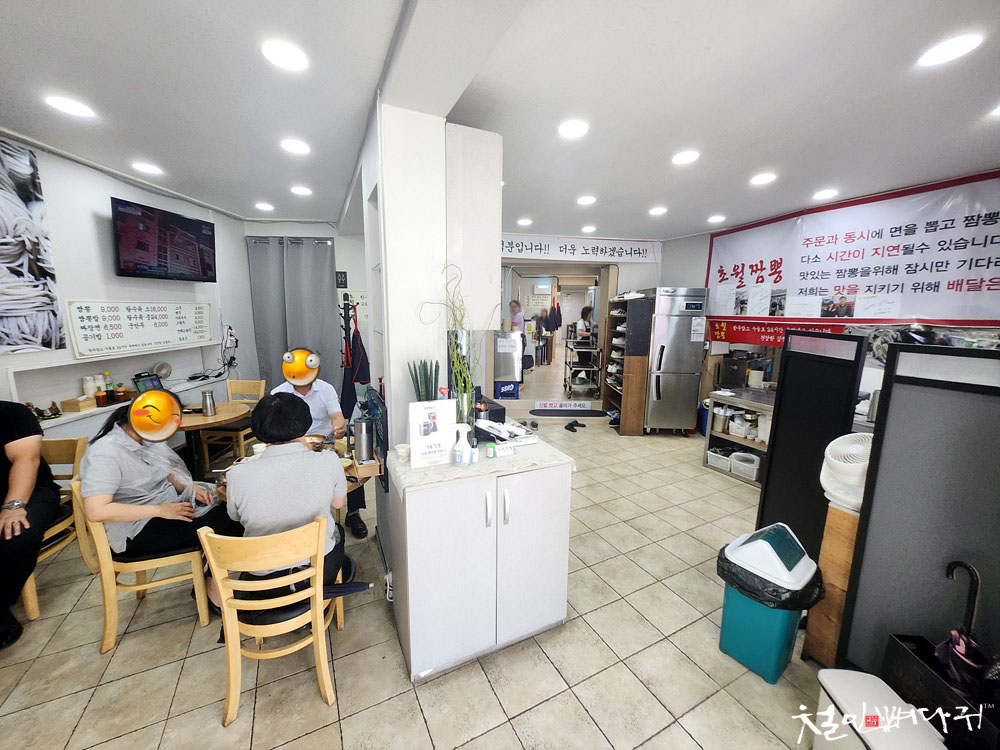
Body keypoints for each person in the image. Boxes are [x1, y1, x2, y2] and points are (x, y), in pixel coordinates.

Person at [81, 396, 243, 611]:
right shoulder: (106, 452)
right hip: (136, 531)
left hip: (165, 510)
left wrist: (191, 489)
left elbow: (165, 472)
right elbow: (96, 510)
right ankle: (213, 590)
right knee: (229, 517)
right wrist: (160, 510)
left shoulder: (145, 438)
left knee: (234, 504)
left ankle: (212, 580)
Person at [225, 393, 353, 586]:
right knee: (337, 531)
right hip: (317, 574)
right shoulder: (328, 460)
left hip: (263, 582)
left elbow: (235, 517)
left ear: (258, 428)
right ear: (305, 423)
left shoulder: (237, 475)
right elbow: (337, 503)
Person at [271, 349, 368, 539]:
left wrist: (338, 427)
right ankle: (300, 517)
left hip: (325, 440)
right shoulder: (279, 393)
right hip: (292, 443)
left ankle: (354, 513)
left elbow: (337, 416)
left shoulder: (326, 389)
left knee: (351, 466)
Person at [0, 400, 61, 649]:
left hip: (30, 492)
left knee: (15, 534)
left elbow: (27, 459)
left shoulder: (11, 413)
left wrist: (12, 506)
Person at [572, 306, 595, 383]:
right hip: (581, 346)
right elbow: (580, 332)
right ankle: (573, 376)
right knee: (583, 364)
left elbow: (595, 325)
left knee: (587, 363)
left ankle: (590, 379)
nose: (591, 315)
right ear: (587, 314)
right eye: (590, 313)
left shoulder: (589, 322)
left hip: (588, 346)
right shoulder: (581, 322)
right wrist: (591, 334)